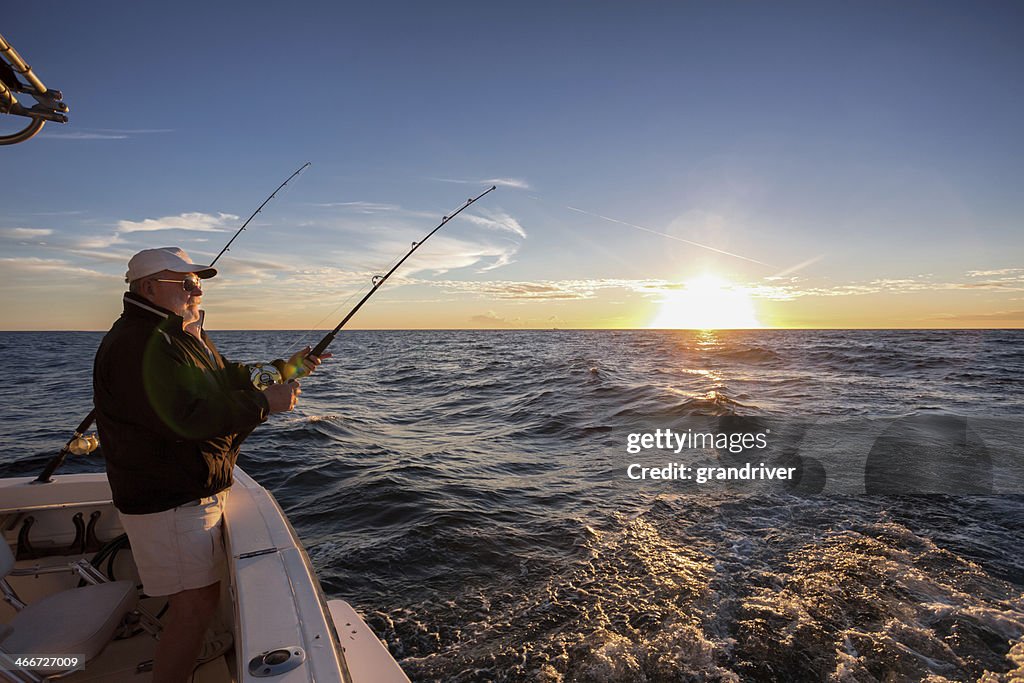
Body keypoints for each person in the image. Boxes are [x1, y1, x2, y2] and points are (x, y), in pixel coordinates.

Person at [92, 247, 328, 683]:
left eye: (198, 283)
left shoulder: (176, 335)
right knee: (194, 607)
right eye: (184, 283)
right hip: (171, 500)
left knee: (198, 602)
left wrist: (288, 368)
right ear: (147, 287)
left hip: (187, 489)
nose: (195, 291)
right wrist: (264, 404)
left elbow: (224, 378)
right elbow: (185, 419)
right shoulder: (139, 344)